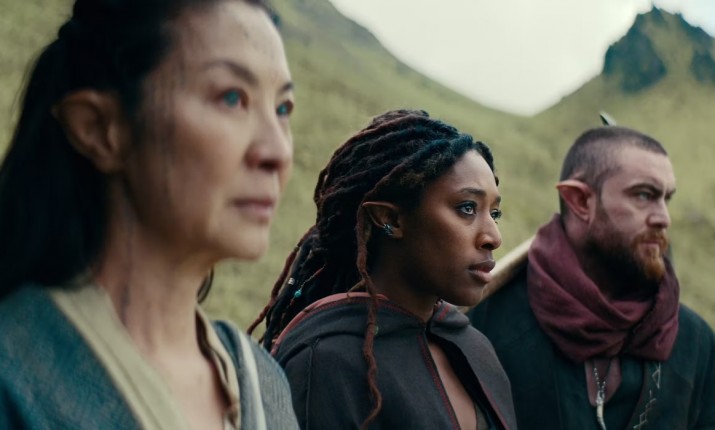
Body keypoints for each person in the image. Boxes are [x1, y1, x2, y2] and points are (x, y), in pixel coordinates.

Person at [0, 0, 299, 428]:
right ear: (101, 128)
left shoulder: (265, 386)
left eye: (283, 108)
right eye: (232, 98)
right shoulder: (17, 376)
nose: (278, 152)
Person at [249, 109, 518, 430]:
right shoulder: (325, 362)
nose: (493, 237)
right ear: (390, 219)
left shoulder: (474, 348)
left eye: (494, 213)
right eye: (467, 208)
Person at [470, 126, 715, 429]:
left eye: (666, 198)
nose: (664, 217)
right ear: (581, 201)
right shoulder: (489, 320)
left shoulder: (696, 343)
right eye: (644, 195)